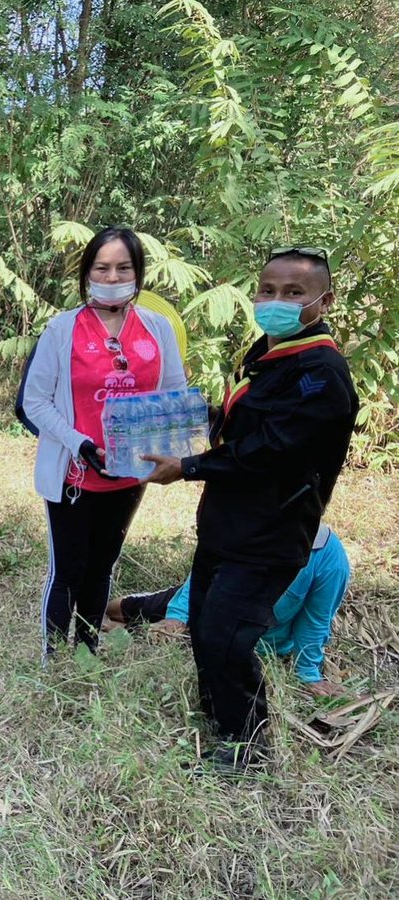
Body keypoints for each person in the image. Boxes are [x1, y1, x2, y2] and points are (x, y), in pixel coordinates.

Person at [142, 247, 359, 771]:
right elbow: (242, 424)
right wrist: (192, 417)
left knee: (228, 637)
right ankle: (220, 716)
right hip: (227, 524)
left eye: (293, 293)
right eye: (268, 290)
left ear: (323, 301)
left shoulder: (321, 374)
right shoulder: (267, 352)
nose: (275, 301)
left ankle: (245, 747)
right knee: (203, 625)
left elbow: (271, 451)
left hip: (270, 533)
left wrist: (189, 466)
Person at [22, 228, 186, 657]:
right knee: (68, 571)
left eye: (123, 268)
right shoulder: (63, 329)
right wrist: (79, 444)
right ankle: (54, 661)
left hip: (129, 475)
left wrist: (174, 447)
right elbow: (35, 401)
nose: (112, 277)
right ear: (87, 273)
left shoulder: (157, 328)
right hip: (75, 476)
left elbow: (172, 394)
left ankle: (87, 651)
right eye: (102, 268)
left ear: (138, 273)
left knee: (101, 568)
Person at [110, 525, 351, 696]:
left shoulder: (329, 557)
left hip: (259, 638)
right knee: (119, 610)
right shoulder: (248, 524)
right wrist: (177, 617)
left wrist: (308, 673)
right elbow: (206, 572)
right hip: (208, 601)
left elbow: (315, 620)